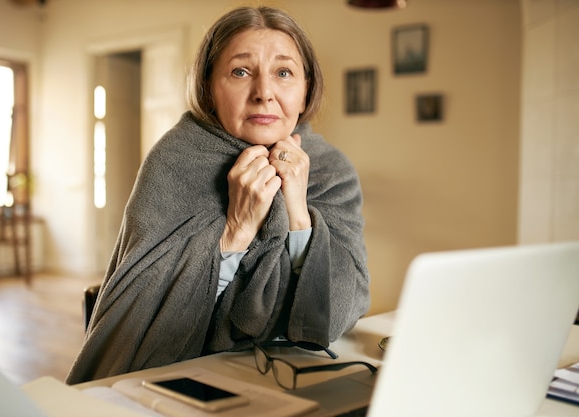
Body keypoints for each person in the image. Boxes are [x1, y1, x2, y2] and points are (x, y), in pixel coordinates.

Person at [66, 5, 370, 384]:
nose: (264, 93)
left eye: (284, 72)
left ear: (306, 87)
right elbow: (144, 329)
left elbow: (344, 306)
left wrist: (297, 214)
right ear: (209, 87)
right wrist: (236, 232)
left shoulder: (332, 172)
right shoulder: (174, 161)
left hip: (300, 378)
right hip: (185, 383)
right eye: (240, 71)